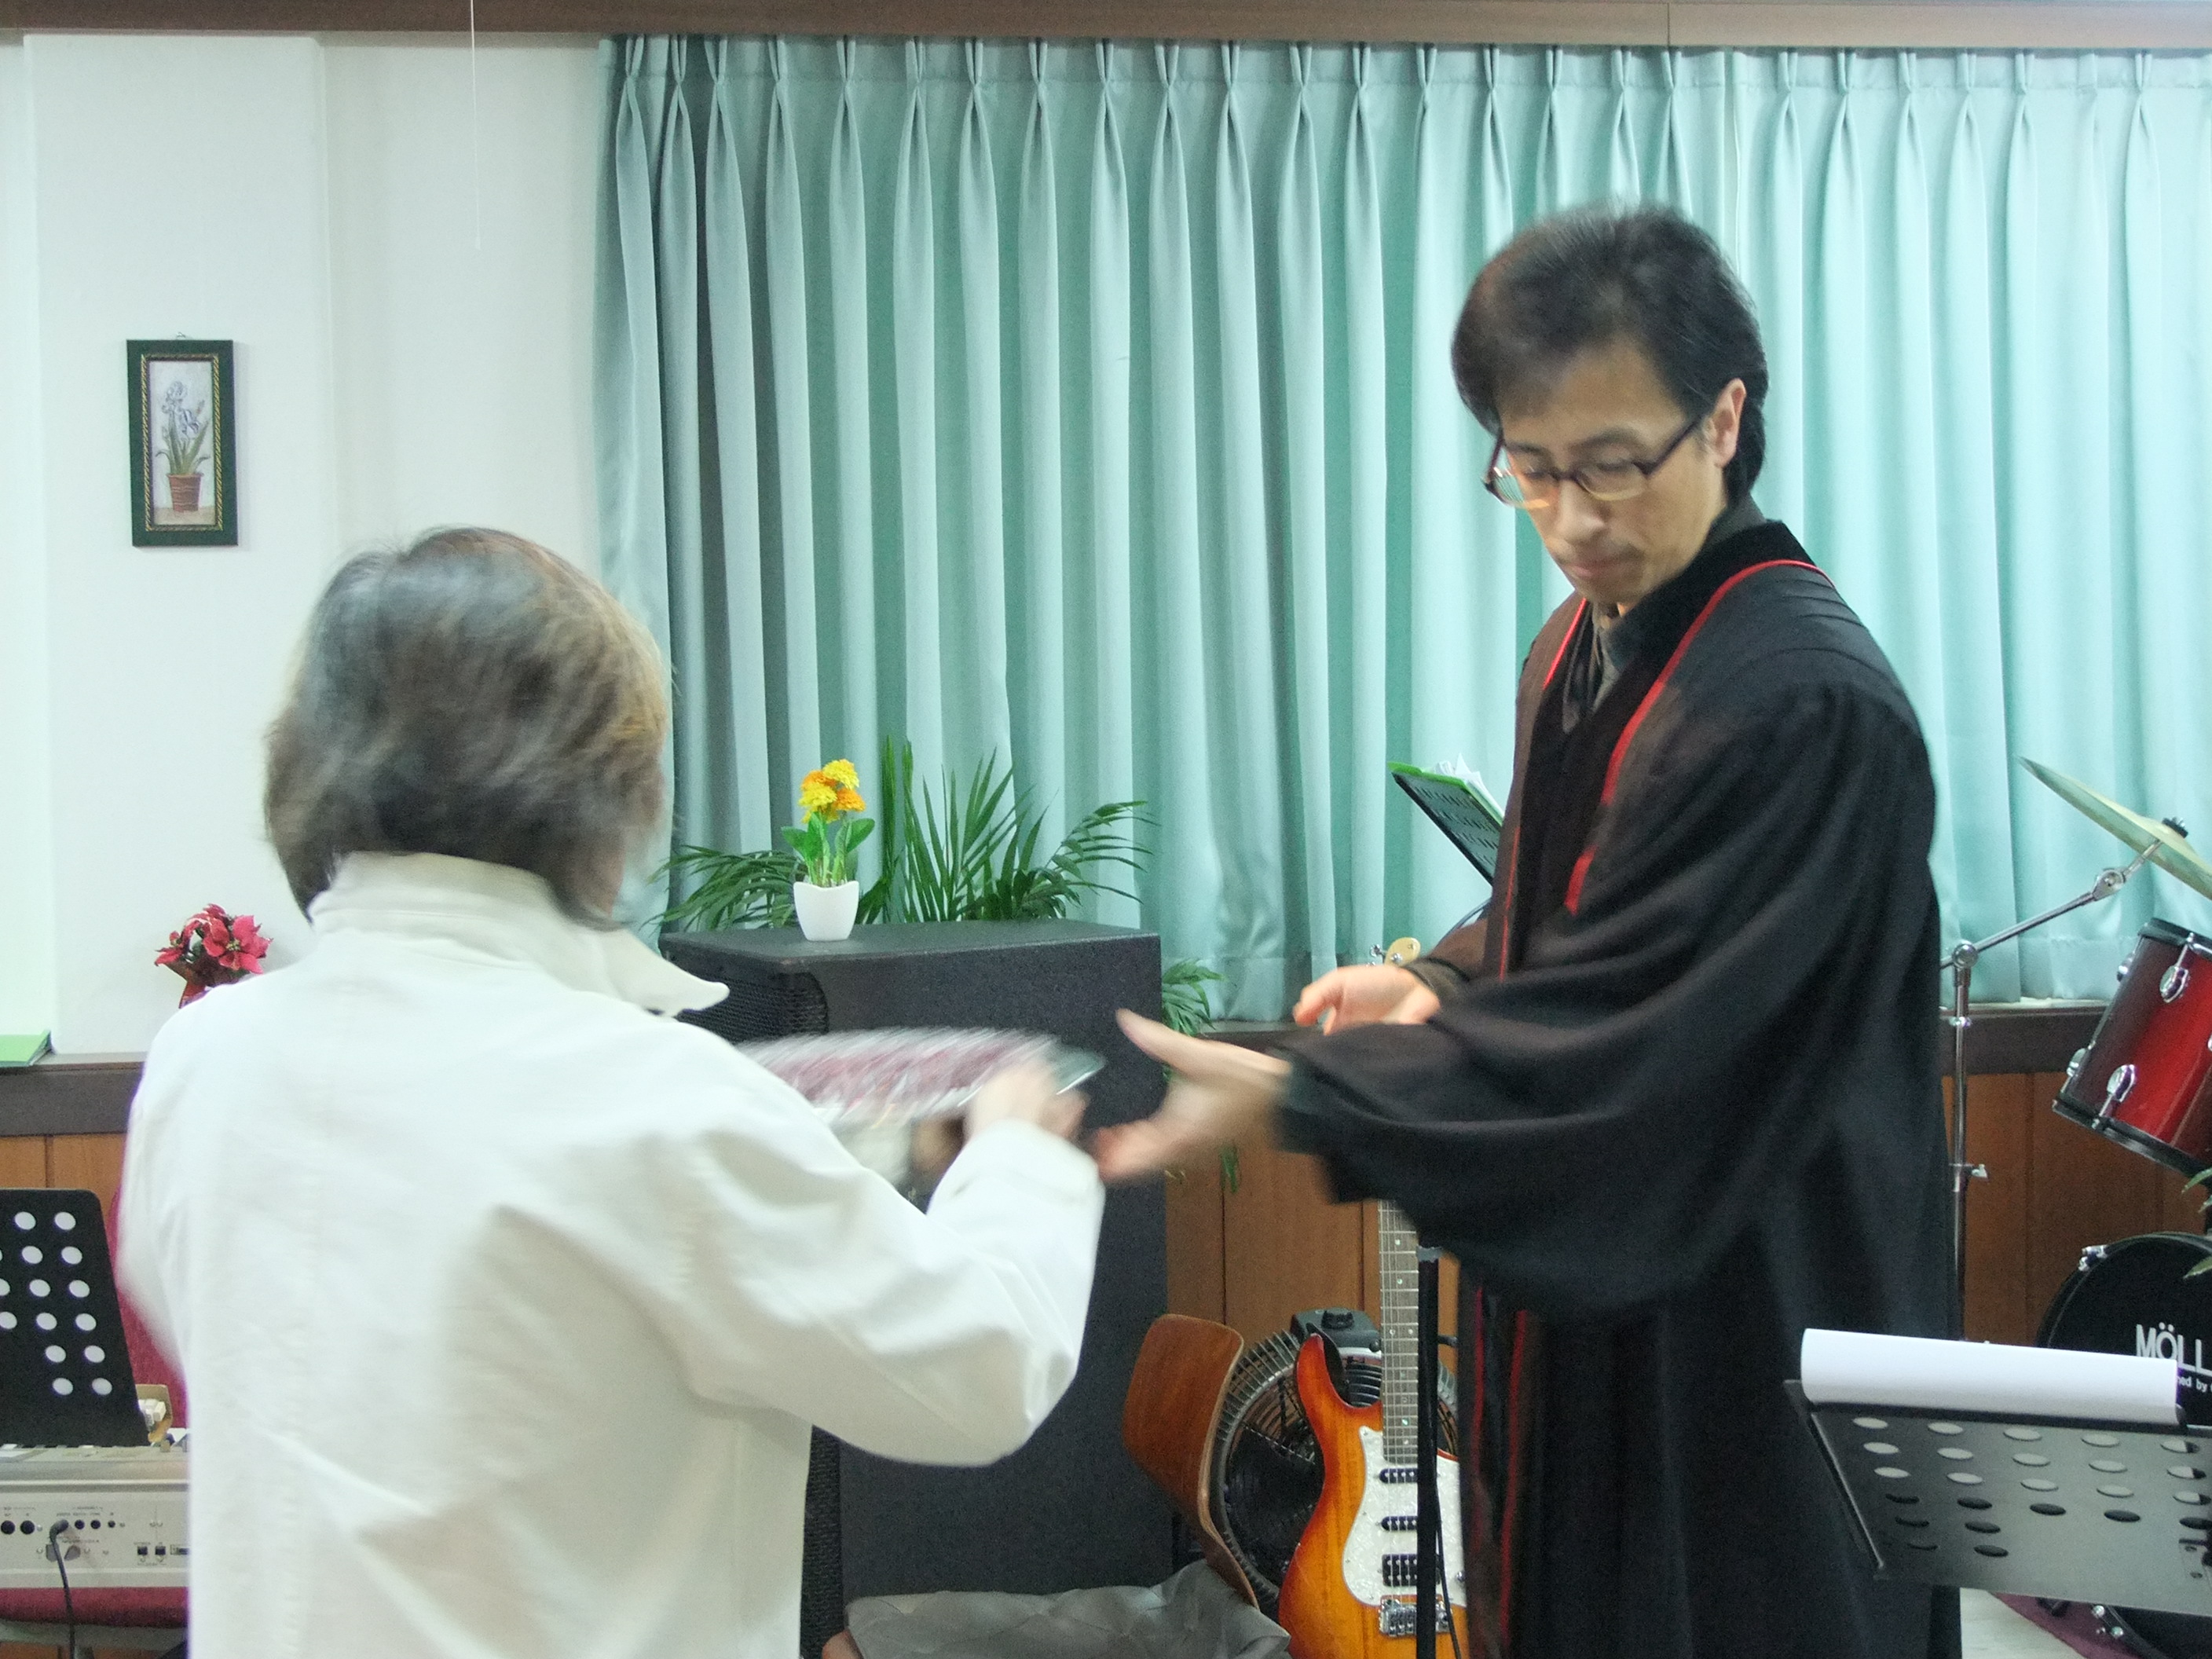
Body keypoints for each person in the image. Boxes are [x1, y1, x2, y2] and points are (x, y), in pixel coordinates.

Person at [1101, 207, 1957, 1659]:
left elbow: (1636, 1045)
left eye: (1613, 465)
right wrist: (1439, 981)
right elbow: (1566, 910)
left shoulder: (1800, 703)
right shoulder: (1580, 647)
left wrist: (1313, 1094)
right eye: (1533, 470)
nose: (1573, 521)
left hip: (1752, 1327)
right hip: (1596, 1335)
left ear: (1724, 419)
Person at [117, 529, 1104, 1659]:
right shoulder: (648, 1094)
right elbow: (976, 1371)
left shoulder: (202, 1060)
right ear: (604, 777)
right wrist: (1019, 1155)